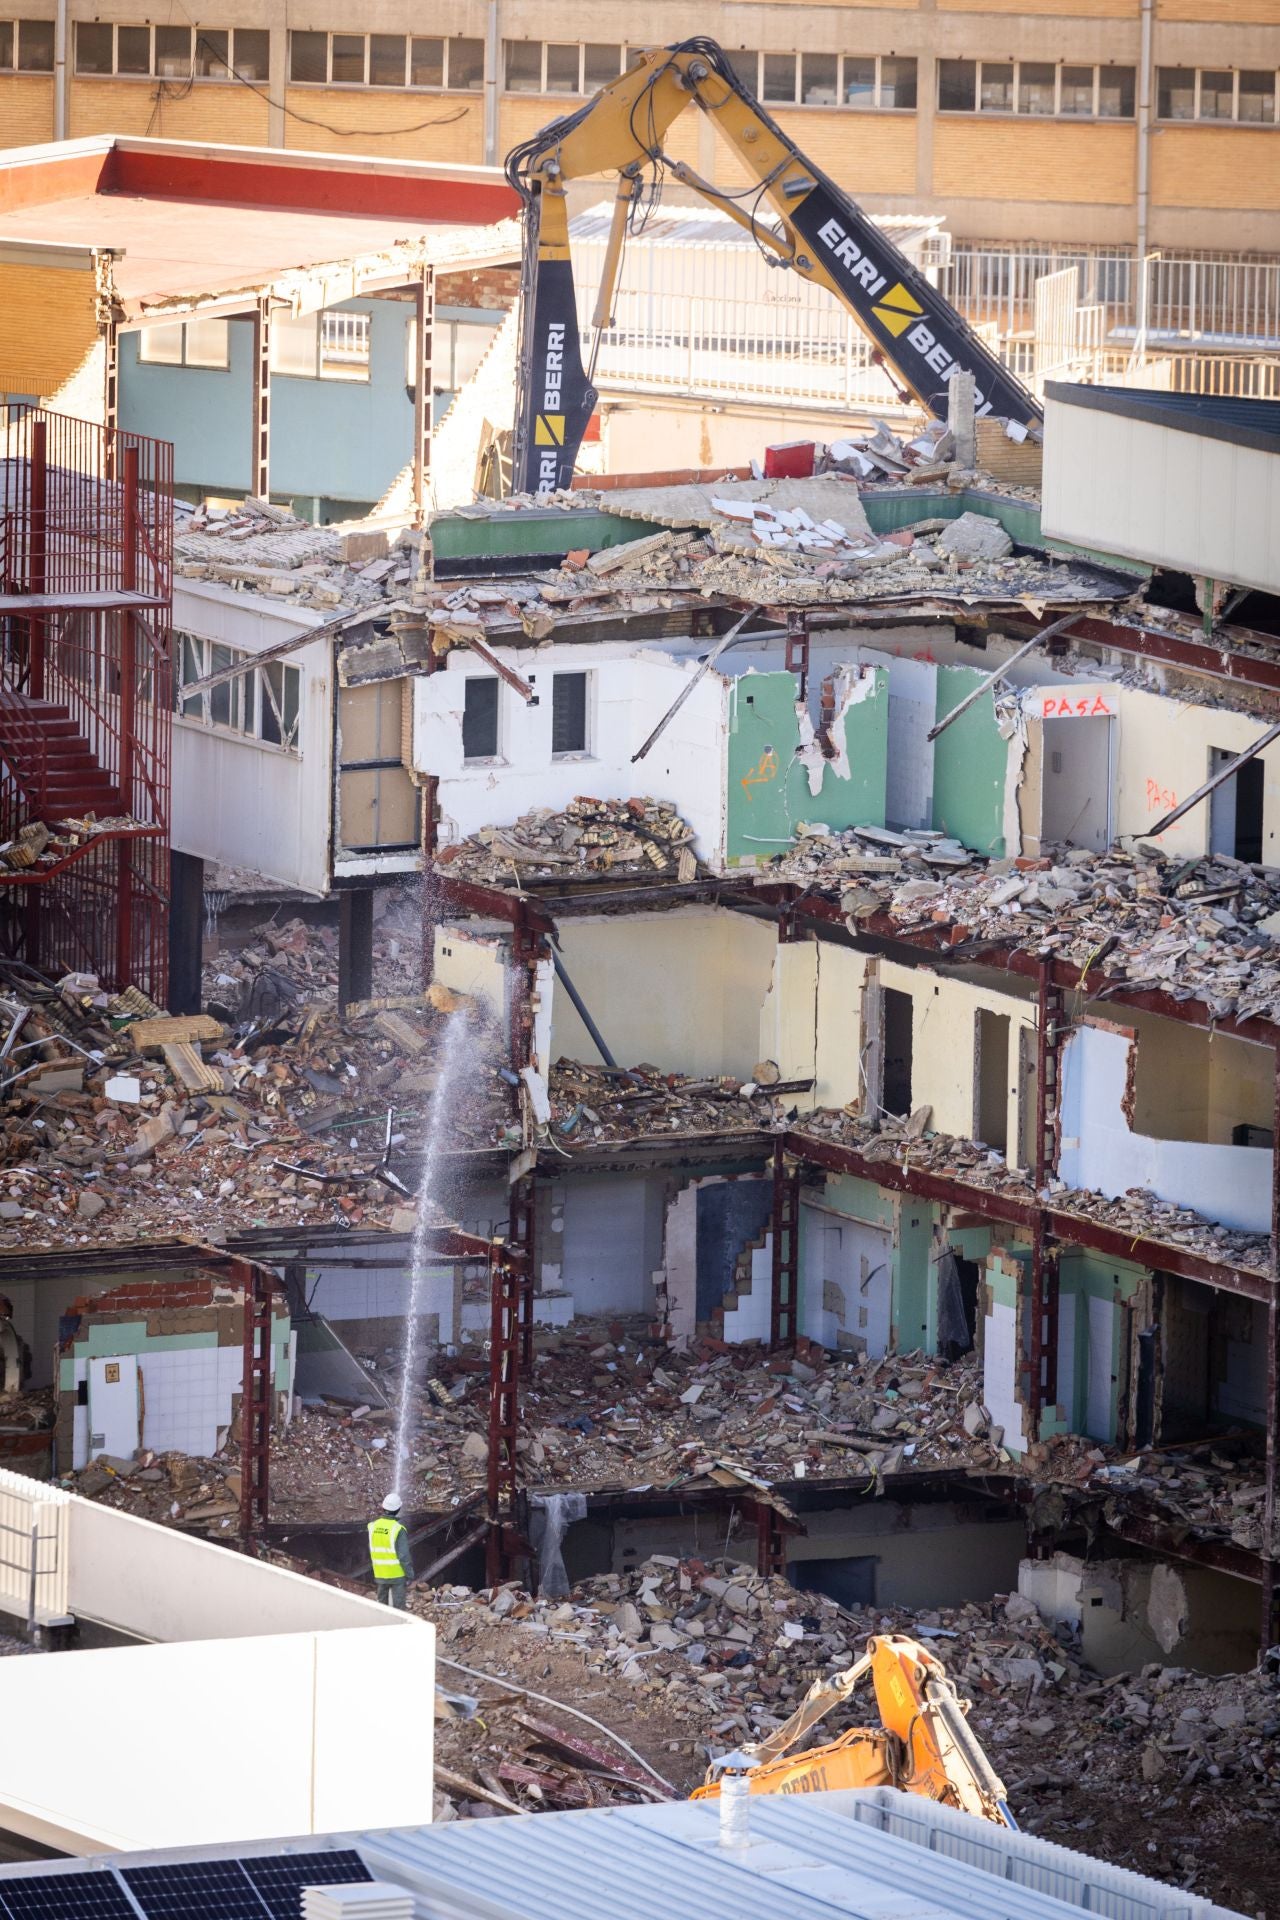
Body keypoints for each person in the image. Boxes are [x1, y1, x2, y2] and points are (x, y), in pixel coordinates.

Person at [368, 1491, 414, 1607]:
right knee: (398, 1607)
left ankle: (383, 1624)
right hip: (396, 1575)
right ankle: (399, 1625)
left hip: (380, 1573)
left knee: (382, 1608)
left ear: (383, 1507)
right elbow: (403, 1555)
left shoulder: (372, 1526)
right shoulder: (398, 1529)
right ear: (398, 1509)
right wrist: (409, 1574)